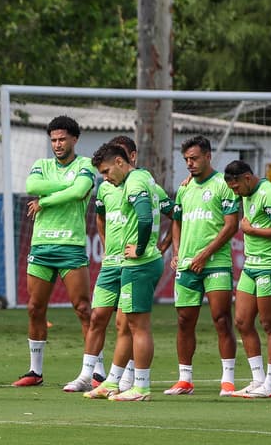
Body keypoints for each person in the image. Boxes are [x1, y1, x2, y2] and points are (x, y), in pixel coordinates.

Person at [71, 135, 172, 394]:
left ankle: (140, 386)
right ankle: (113, 381)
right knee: (124, 324)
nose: (104, 177)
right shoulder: (128, 183)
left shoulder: (136, 181)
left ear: (121, 161)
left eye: (106, 171)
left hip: (140, 262)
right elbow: (107, 218)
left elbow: (145, 217)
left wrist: (140, 248)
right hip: (125, 262)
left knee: (136, 326)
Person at [18, 116, 96, 388]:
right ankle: (35, 372)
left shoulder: (86, 165)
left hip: (71, 246)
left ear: (75, 139)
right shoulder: (41, 165)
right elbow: (31, 187)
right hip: (41, 246)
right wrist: (69, 185)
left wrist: (46, 201)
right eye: (53, 140)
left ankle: (95, 372)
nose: (57, 144)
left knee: (84, 309)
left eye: (62, 139)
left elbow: (80, 192)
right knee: (34, 308)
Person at [166, 135, 239, 396]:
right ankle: (185, 379)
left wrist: (205, 254)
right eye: (186, 159)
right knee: (184, 320)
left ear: (208, 156)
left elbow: (231, 225)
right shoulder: (184, 187)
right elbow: (176, 220)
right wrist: (176, 251)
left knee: (221, 318)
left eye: (194, 158)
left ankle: (228, 380)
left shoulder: (224, 184)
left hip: (215, 262)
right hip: (187, 264)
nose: (189, 164)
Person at [224, 160, 271, 398]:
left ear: (247, 179)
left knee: (270, 325)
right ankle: (257, 379)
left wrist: (251, 231)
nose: (235, 192)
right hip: (251, 266)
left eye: (236, 188)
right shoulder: (245, 191)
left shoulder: (268, 193)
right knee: (241, 321)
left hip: (270, 267)